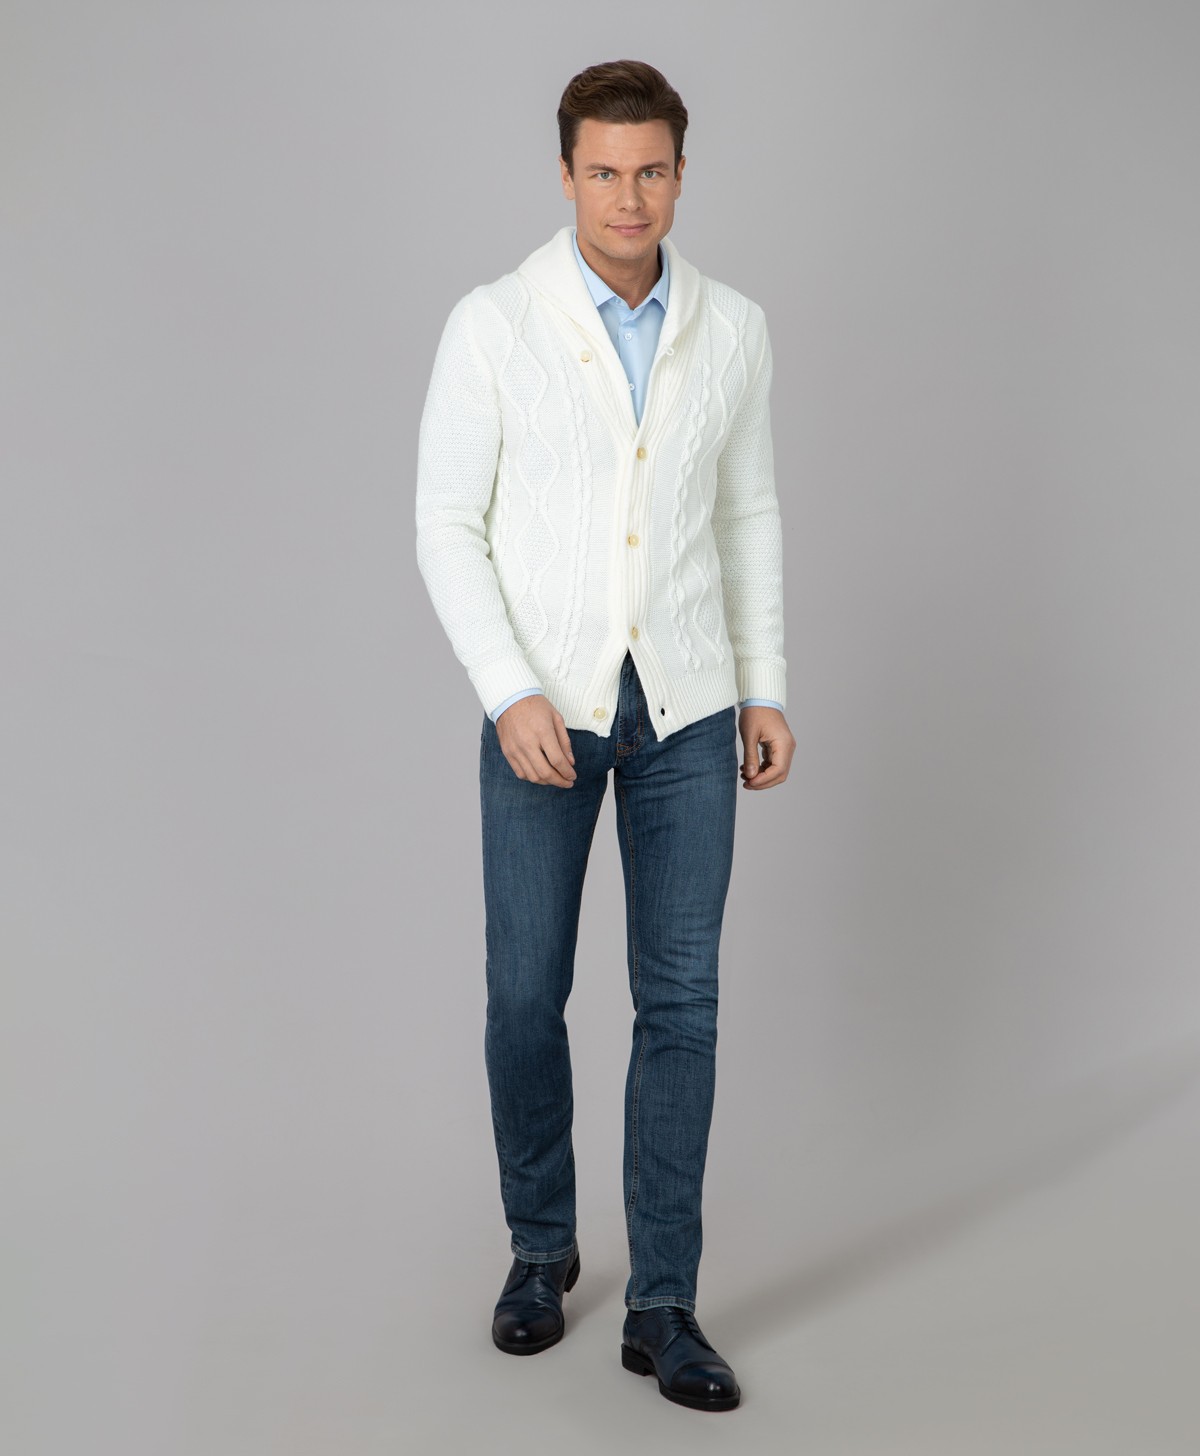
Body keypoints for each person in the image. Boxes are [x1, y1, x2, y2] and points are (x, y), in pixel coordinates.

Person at [415, 58, 794, 1412]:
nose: (627, 197)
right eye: (602, 171)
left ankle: (664, 1304)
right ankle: (540, 1248)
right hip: (545, 713)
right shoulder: (494, 324)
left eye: (650, 171)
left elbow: (746, 513)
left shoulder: (733, 329)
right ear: (567, 175)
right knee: (526, 995)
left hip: (689, 706)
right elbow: (445, 522)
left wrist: (765, 684)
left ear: (681, 175)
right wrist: (507, 687)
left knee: (680, 1003)